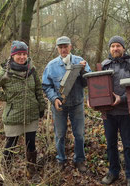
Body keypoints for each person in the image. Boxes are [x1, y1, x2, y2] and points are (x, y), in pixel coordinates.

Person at [0, 41, 46, 177]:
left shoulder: (32, 70)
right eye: (19, 54)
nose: (22, 57)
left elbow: (38, 89)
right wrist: (6, 97)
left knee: (31, 145)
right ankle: (4, 173)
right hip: (14, 115)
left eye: (24, 54)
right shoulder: (5, 72)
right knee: (10, 146)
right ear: (12, 56)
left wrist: (41, 106)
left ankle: (31, 171)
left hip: (31, 114)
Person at [42, 36, 91, 172]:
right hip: (59, 105)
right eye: (60, 47)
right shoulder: (51, 66)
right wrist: (54, 98)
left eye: (66, 46)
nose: (63, 49)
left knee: (79, 134)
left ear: (70, 47)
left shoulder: (80, 62)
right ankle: (61, 159)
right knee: (60, 134)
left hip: (77, 104)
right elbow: (46, 85)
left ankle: (79, 160)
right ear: (57, 49)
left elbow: (89, 82)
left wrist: (83, 72)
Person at [100, 36, 130, 186]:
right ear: (109, 49)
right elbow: (99, 87)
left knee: (128, 144)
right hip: (108, 113)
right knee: (111, 144)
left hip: (125, 112)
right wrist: (96, 102)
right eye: (112, 46)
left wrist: (122, 99)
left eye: (118, 46)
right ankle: (113, 172)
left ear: (123, 48)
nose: (115, 48)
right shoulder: (105, 65)